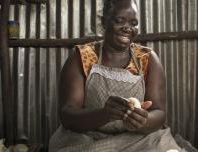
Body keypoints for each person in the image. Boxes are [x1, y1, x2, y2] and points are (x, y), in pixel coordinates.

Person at [49, 0, 184, 151]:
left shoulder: (147, 58)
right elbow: (68, 115)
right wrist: (103, 115)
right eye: (119, 21)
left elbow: (159, 113)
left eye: (134, 23)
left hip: (135, 139)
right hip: (88, 137)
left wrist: (144, 121)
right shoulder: (82, 57)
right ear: (104, 22)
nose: (128, 28)